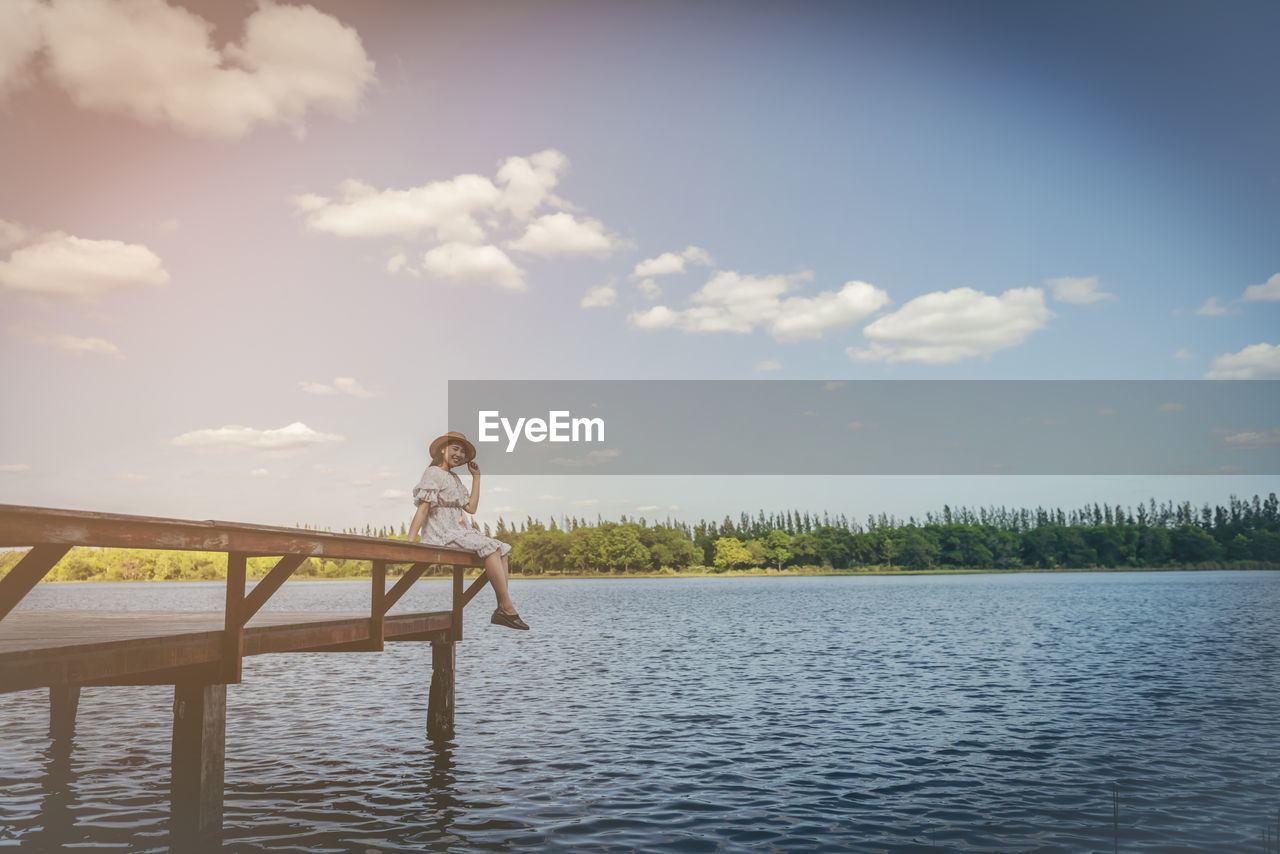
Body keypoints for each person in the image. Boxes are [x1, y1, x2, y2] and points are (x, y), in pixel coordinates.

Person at [408, 432, 529, 631]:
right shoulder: (433, 473)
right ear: (443, 449)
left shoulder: (454, 478)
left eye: (462, 452)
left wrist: (476, 479)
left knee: (503, 549)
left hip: (458, 528)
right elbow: (423, 508)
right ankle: (507, 608)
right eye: (455, 449)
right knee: (490, 548)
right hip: (441, 531)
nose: (459, 454)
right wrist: (411, 541)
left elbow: (471, 508)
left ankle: (503, 607)